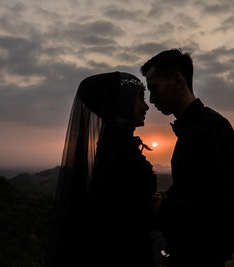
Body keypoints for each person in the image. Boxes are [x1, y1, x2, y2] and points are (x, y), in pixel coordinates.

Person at [140, 49, 234, 267]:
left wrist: (165, 207)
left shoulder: (211, 128)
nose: (151, 99)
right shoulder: (194, 129)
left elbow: (230, 207)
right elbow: (196, 190)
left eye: (154, 88)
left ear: (178, 80)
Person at [46, 72, 157, 267]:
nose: (146, 106)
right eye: (140, 97)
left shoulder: (114, 146)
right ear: (123, 100)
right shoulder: (120, 153)